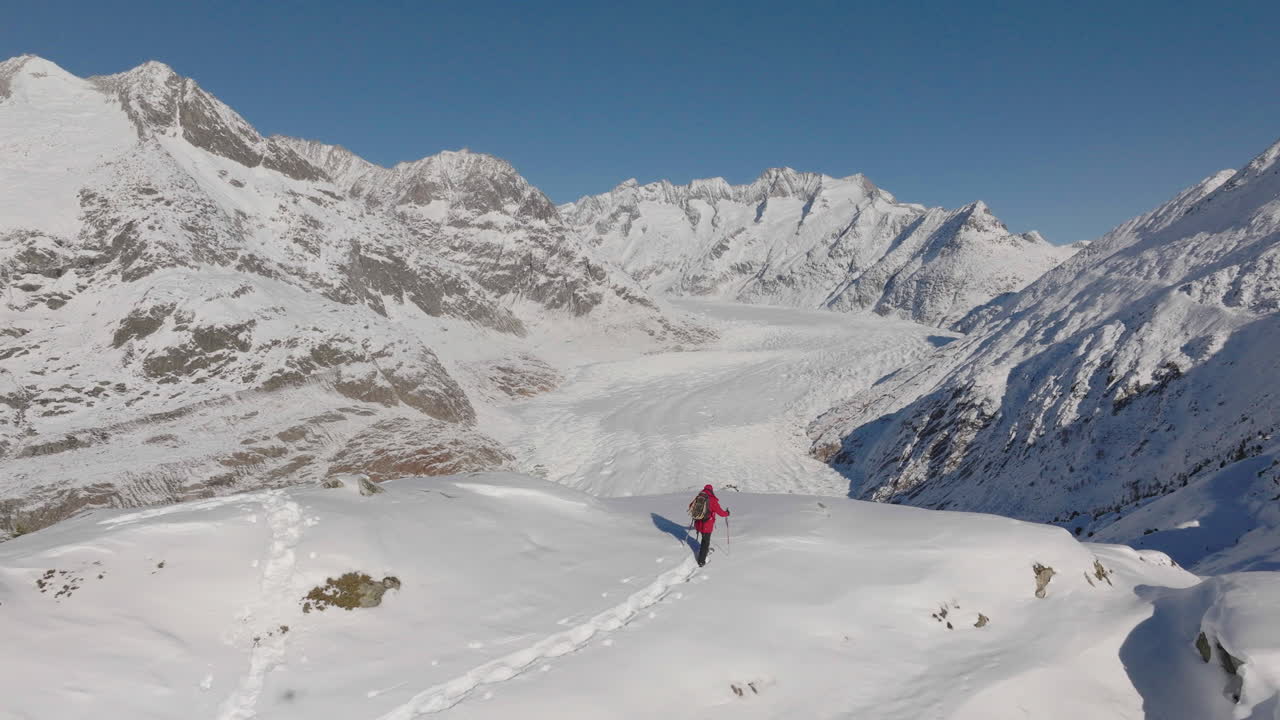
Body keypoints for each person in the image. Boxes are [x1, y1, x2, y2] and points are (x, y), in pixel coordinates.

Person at [692, 484, 729, 567]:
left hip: (698, 523)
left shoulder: (699, 497)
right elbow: (721, 513)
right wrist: (727, 513)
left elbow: (691, 506)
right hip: (707, 525)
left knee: (704, 539)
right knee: (705, 541)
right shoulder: (712, 500)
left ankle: (704, 552)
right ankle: (701, 561)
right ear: (711, 491)